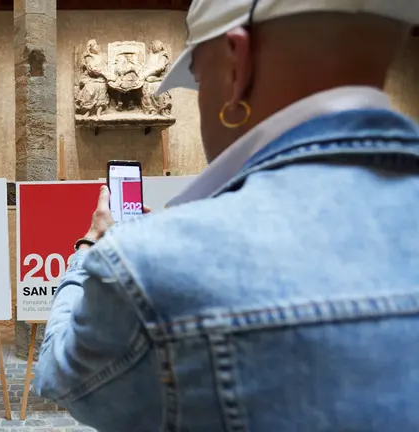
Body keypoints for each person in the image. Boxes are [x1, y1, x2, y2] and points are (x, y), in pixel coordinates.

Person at [35, 1, 419, 431]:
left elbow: (60, 376)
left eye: (199, 80)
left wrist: (92, 248)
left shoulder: (148, 265)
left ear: (237, 65)